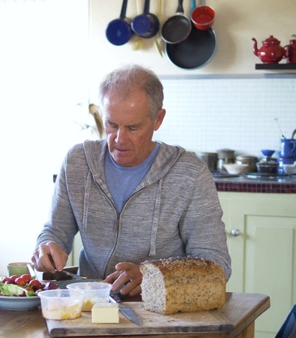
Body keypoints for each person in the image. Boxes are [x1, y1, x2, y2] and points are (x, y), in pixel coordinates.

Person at [31, 65, 230, 298]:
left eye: (133, 127)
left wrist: (152, 275)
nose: (119, 139)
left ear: (158, 119)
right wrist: (46, 248)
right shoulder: (78, 162)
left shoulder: (189, 173)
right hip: (91, 305)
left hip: (161, 310)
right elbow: (55, 232)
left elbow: (216, 266)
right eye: (111, 125)